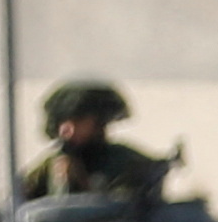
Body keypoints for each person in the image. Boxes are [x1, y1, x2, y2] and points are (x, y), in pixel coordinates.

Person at [15, 79, 170, 201]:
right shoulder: (50, 165)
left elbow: (125, 208)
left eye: (79, 120)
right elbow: (19, 199)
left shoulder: (124, 160)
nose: (68, 129)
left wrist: (83, 183)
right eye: (65, 122)